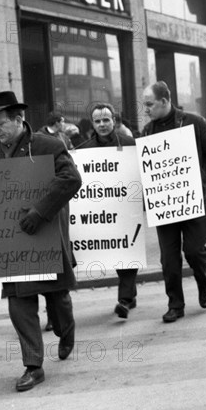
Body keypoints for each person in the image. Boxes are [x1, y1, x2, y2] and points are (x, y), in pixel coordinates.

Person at [0, 91, 82, 391]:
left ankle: (66, 331)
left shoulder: (48, 146)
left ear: (19, 119)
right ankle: (33, 365)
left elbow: (71, 179)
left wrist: (40, 212)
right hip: (14, 247)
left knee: (57, 298)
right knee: (19, 304)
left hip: (46, 237)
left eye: (2, 123)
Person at [142, 81, 206, 322]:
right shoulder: (147, 131)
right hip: (164, 205)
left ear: (165, 101)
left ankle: (203, 282)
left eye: (149, 104)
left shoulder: (193, 121)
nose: (146, 109)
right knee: (168, 258)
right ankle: (175, 304)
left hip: (193, 201)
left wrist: (204, 181)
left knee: (194, 251)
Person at [77, 102, 138, 319]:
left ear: (114, 120)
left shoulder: (131, 145)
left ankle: (124, 299)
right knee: (115, 252)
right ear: (92, 124)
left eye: (106, 120)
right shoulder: (84, 151)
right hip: (101, 213)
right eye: (98, 121)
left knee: (127, 251)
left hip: (127, 210)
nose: (102, 124)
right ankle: (130, 294)